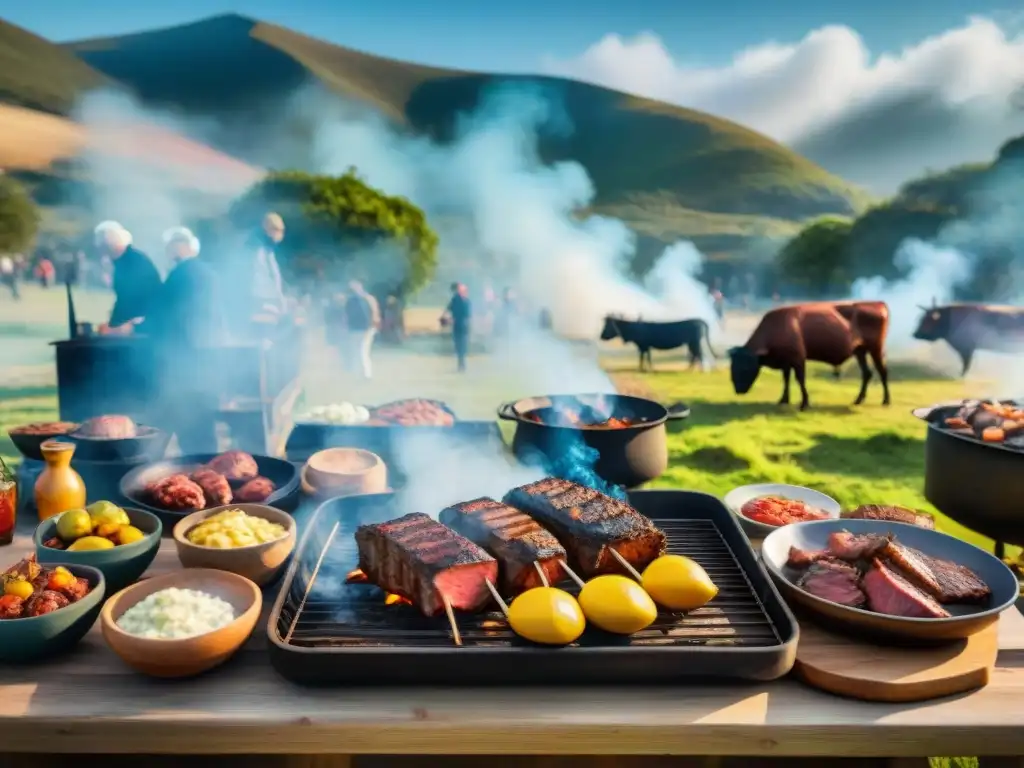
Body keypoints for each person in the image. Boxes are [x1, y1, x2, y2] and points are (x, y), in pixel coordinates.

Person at [145, 226, 226, 454]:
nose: (167, 252)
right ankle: (207, 465)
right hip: (208, 358)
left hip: (186, 356)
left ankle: (198, 469)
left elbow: (163, 313)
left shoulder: (181, 274)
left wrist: (139, 325)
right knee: (203, 422)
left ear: (181, 246)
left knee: (189, 421)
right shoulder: (210, 273)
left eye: (170, 246)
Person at [94, 221, 162, 336]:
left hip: (142, 332)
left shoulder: (136, 263)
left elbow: (147, 299)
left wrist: (128, 326)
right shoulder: (121, 263)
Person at [342, 279, 380, 378]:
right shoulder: (350, 300)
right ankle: (359, 373)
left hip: (366, 329)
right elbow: (346, 315)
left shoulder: (368, 298)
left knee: (362, 351)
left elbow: (375, 313)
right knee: (356, 351)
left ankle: (366, 374)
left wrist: (373, 326)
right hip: (354, 329)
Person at [441, 282, 472, 372]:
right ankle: (461, 364)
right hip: (463, 325)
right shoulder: (462, 300)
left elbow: (450, 311)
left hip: (460, 325)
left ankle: (461, 364)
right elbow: (449, 310)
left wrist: (447, 319)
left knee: (460, 345)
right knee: (461, 346)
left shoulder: (458, 300)